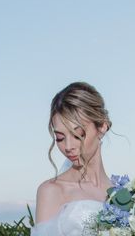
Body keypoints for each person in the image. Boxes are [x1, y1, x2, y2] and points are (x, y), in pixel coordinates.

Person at [32, 82, 112, 236]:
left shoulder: (126, 194)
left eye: (77, 135)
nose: (68, 146)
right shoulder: (52, 191)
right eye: (60, 138)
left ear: (102, 126)